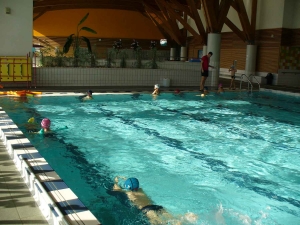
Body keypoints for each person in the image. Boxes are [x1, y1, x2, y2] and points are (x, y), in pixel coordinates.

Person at [113, 176, 198, 225]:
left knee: (158, 223)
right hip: (157, 206)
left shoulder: (128, 193)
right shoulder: (141, 190)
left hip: (147, 210)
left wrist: (117, 179)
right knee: (172, 218)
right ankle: (184, 218)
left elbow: (115, 188)